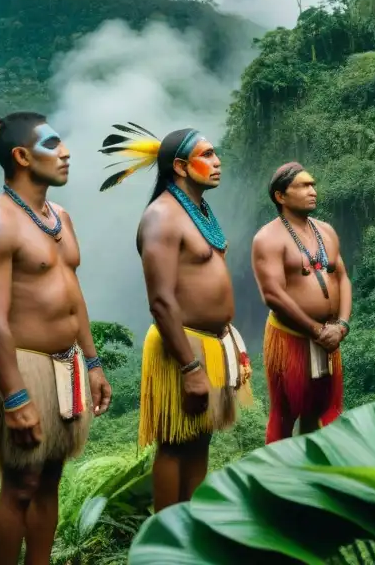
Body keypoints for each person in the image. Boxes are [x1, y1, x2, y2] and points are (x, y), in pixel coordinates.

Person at [0, 110, 111, 565]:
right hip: (21, 366)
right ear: (22, 156)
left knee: (50, 479)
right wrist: (14, 397)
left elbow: (72, 292)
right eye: (53, 145)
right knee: (20, 484)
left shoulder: (59, 216)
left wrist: (92, 361)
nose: (65, 153)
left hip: (66, 365)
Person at [98, 122, 252, 511]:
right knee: (174, 444)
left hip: (212, 343)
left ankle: (191, 532)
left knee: (200, 442)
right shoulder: (162, 216)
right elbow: (162, 301)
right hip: (182, 346)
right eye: (208, 155)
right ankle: (166, 539)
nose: (218, 162)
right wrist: (189, 367)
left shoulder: (199, 211)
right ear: (181, 167)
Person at [251, 162, 351, 443]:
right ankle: (278, 479)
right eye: (304, 186)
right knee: (285, 415)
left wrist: (341, 325)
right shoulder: (268, 238)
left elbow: (342, 277)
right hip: (291, 338)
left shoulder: (326, 231)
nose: (313, 191)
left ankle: (314, 474)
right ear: (280, 196)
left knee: (322, 410)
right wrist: (316, 331)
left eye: (313, 184)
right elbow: (273, 294)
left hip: (330, 336)